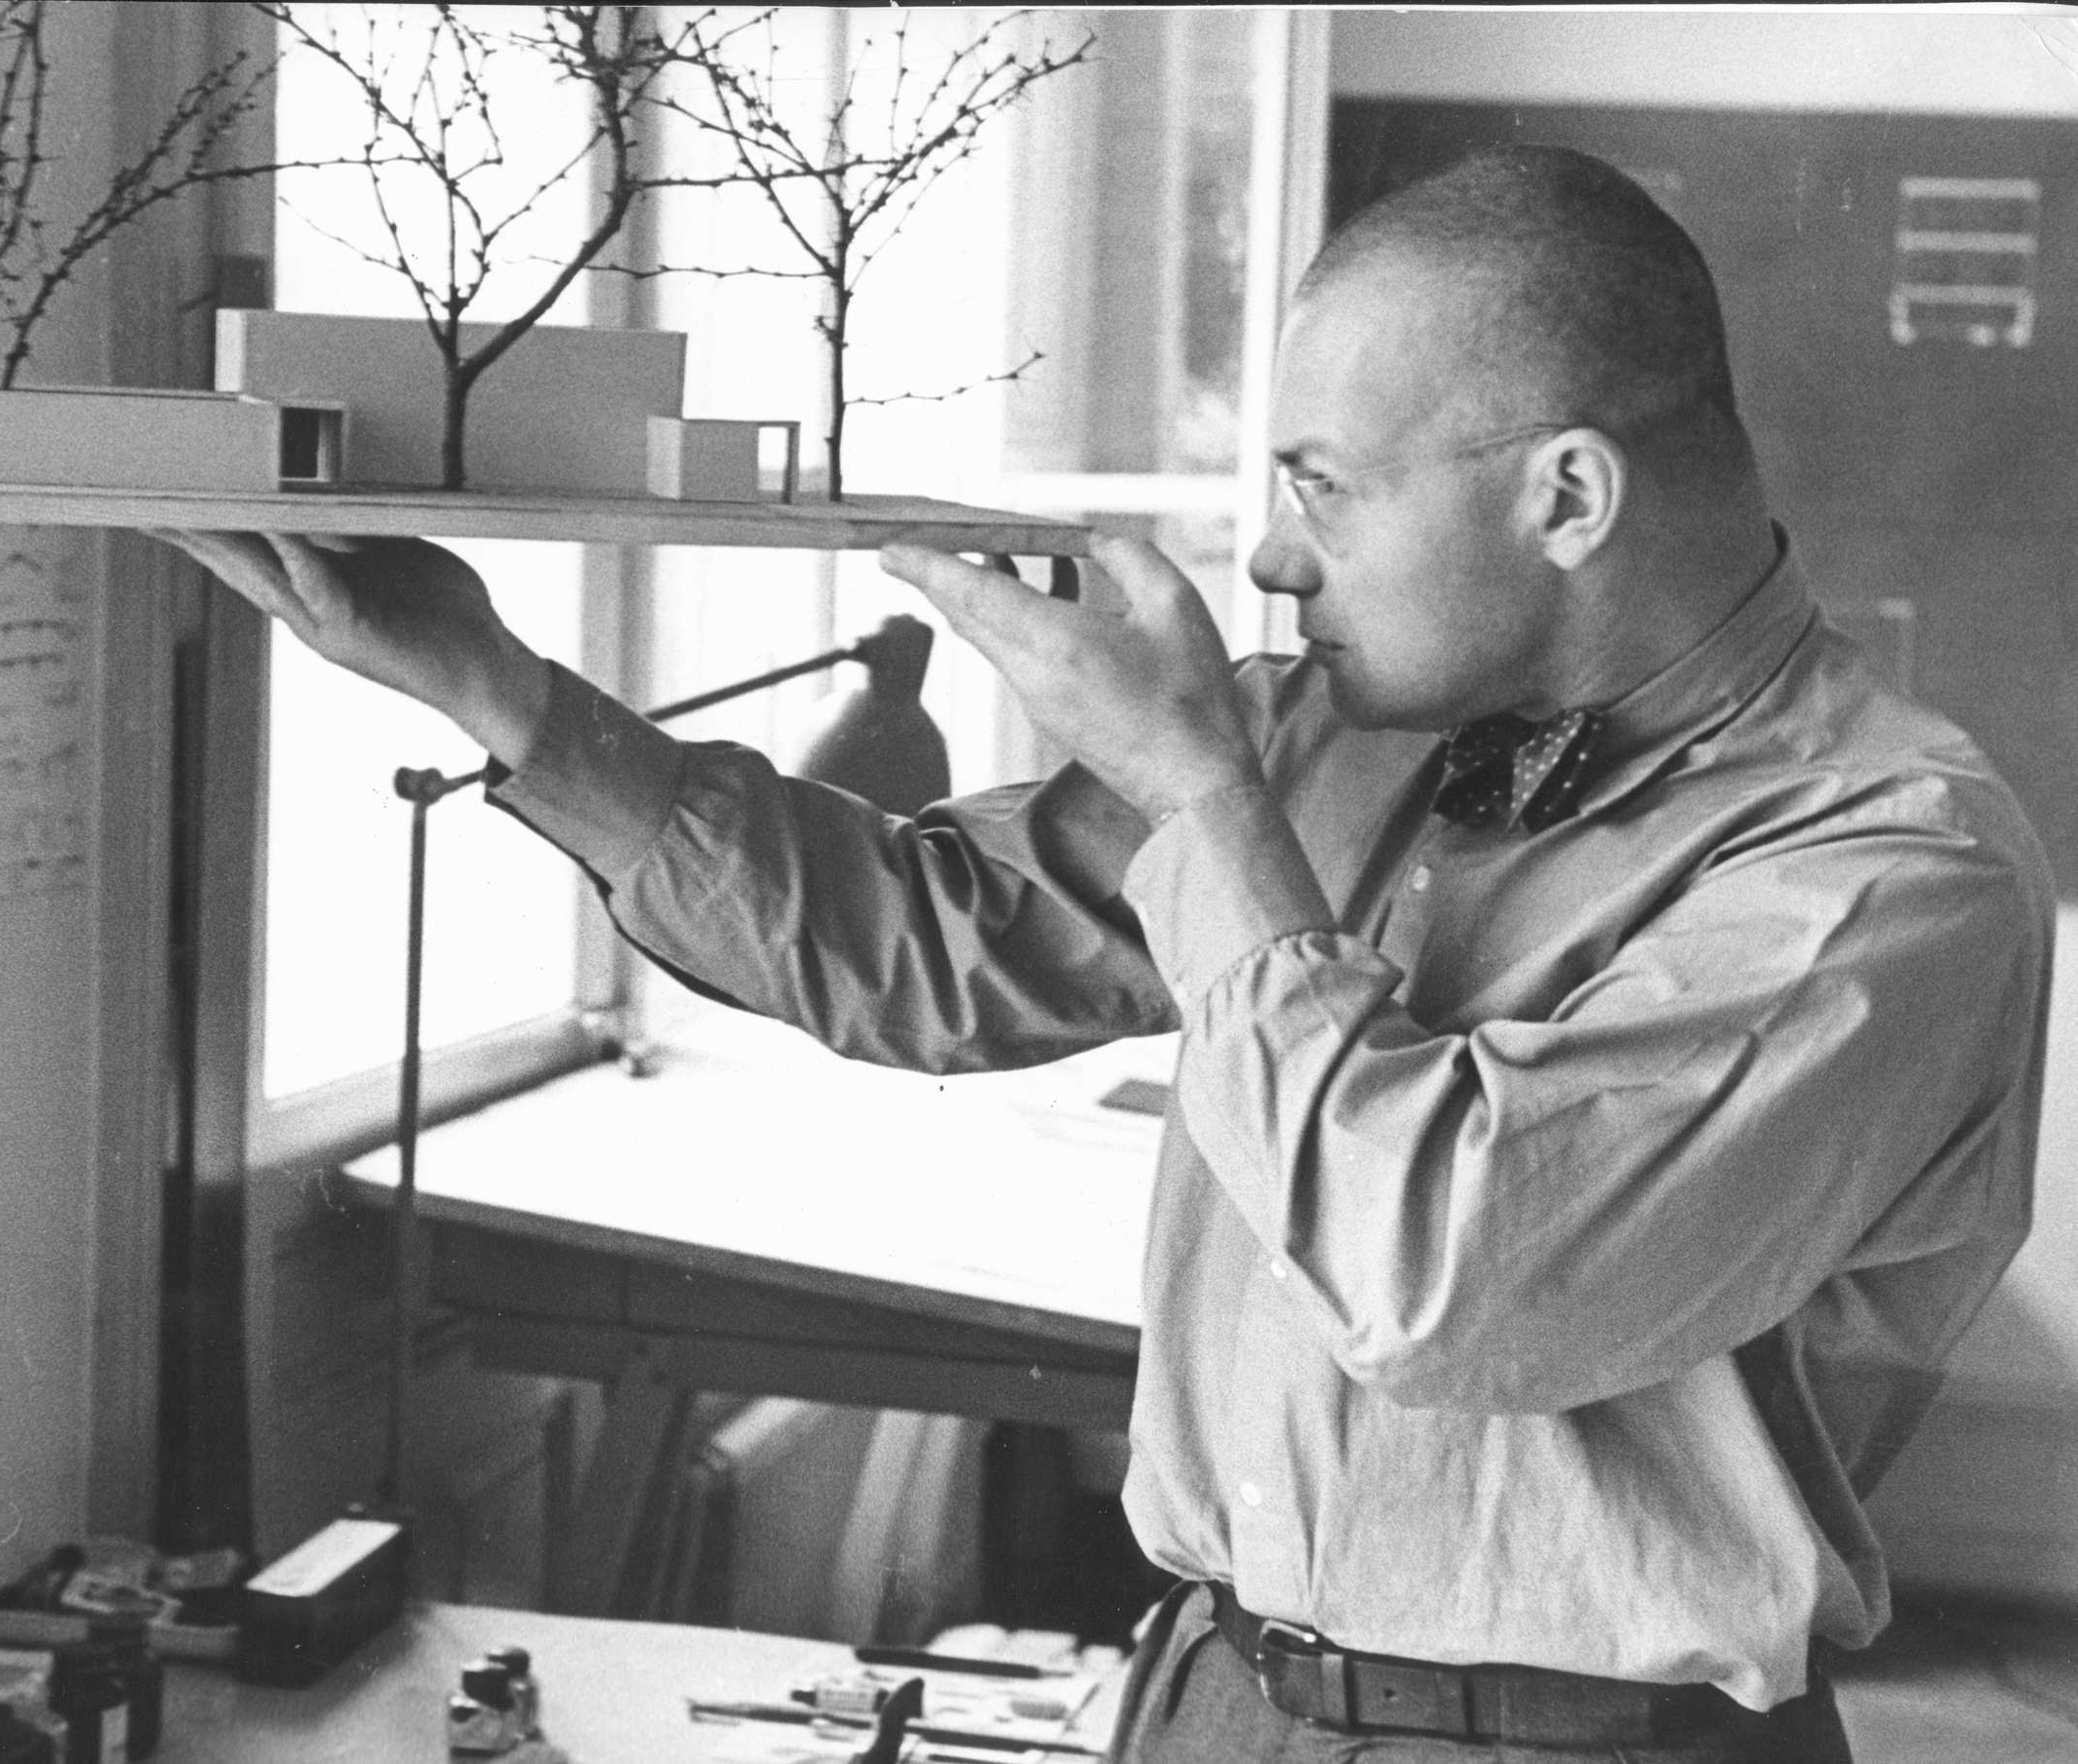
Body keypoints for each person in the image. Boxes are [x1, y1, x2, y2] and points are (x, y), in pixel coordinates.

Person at [149, 145, 2052, 1762]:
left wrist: (1208, 812)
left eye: (1317, 482)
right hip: (1207, 1695)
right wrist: (493, 689)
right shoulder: (1327, 737)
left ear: (1563, 494)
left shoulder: (1891, 872)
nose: (1269, 565)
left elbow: (1460, 1276)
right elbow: (919, 945)